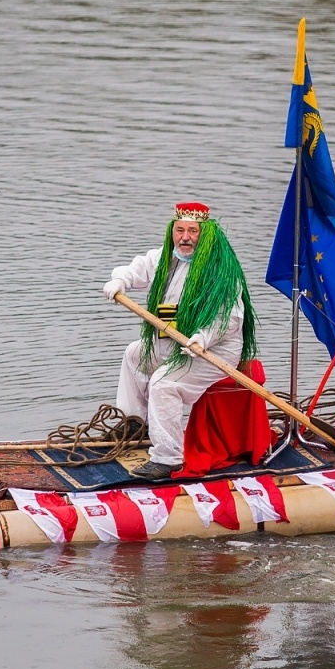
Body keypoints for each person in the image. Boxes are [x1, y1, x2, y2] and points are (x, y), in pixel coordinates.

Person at [104, 202, 259, 481]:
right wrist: (120, 281)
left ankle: (168, 457)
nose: (185, 237)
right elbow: (139, 267)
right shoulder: (165, 257)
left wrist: (202, 338)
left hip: (213, 349)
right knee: (135, 354)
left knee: (164, 382)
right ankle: (135, 423)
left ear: (205, 234)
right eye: (180, 230)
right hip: (177, 343)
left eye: (192, 231)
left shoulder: (221, 271)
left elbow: (230, 318)